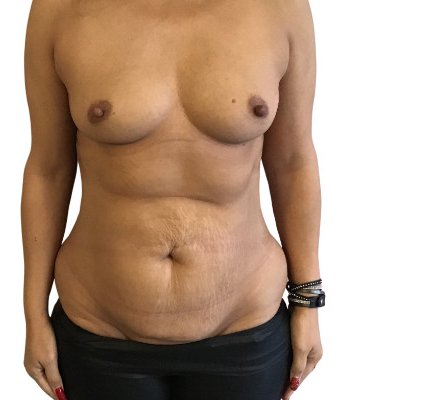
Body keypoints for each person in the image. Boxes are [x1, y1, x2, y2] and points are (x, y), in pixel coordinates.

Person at [21, 0, 324, 399]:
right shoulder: (59, 8)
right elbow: (48, 170)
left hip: (244, 323)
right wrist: (33, 315)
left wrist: (307, 300)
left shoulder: (280, 8)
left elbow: (293, 163)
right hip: (99, 326)